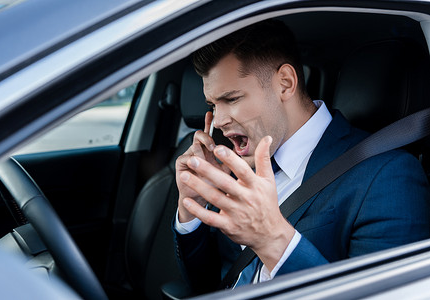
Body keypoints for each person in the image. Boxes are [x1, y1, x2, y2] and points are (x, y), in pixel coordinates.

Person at [172, 19, 430, 294]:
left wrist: (273, 240)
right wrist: (192, 209)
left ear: (285, 83)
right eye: (213, 104)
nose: (219, 120)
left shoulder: (389, 176)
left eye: (232, 99)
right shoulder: (235, 169)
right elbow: (214, 285)